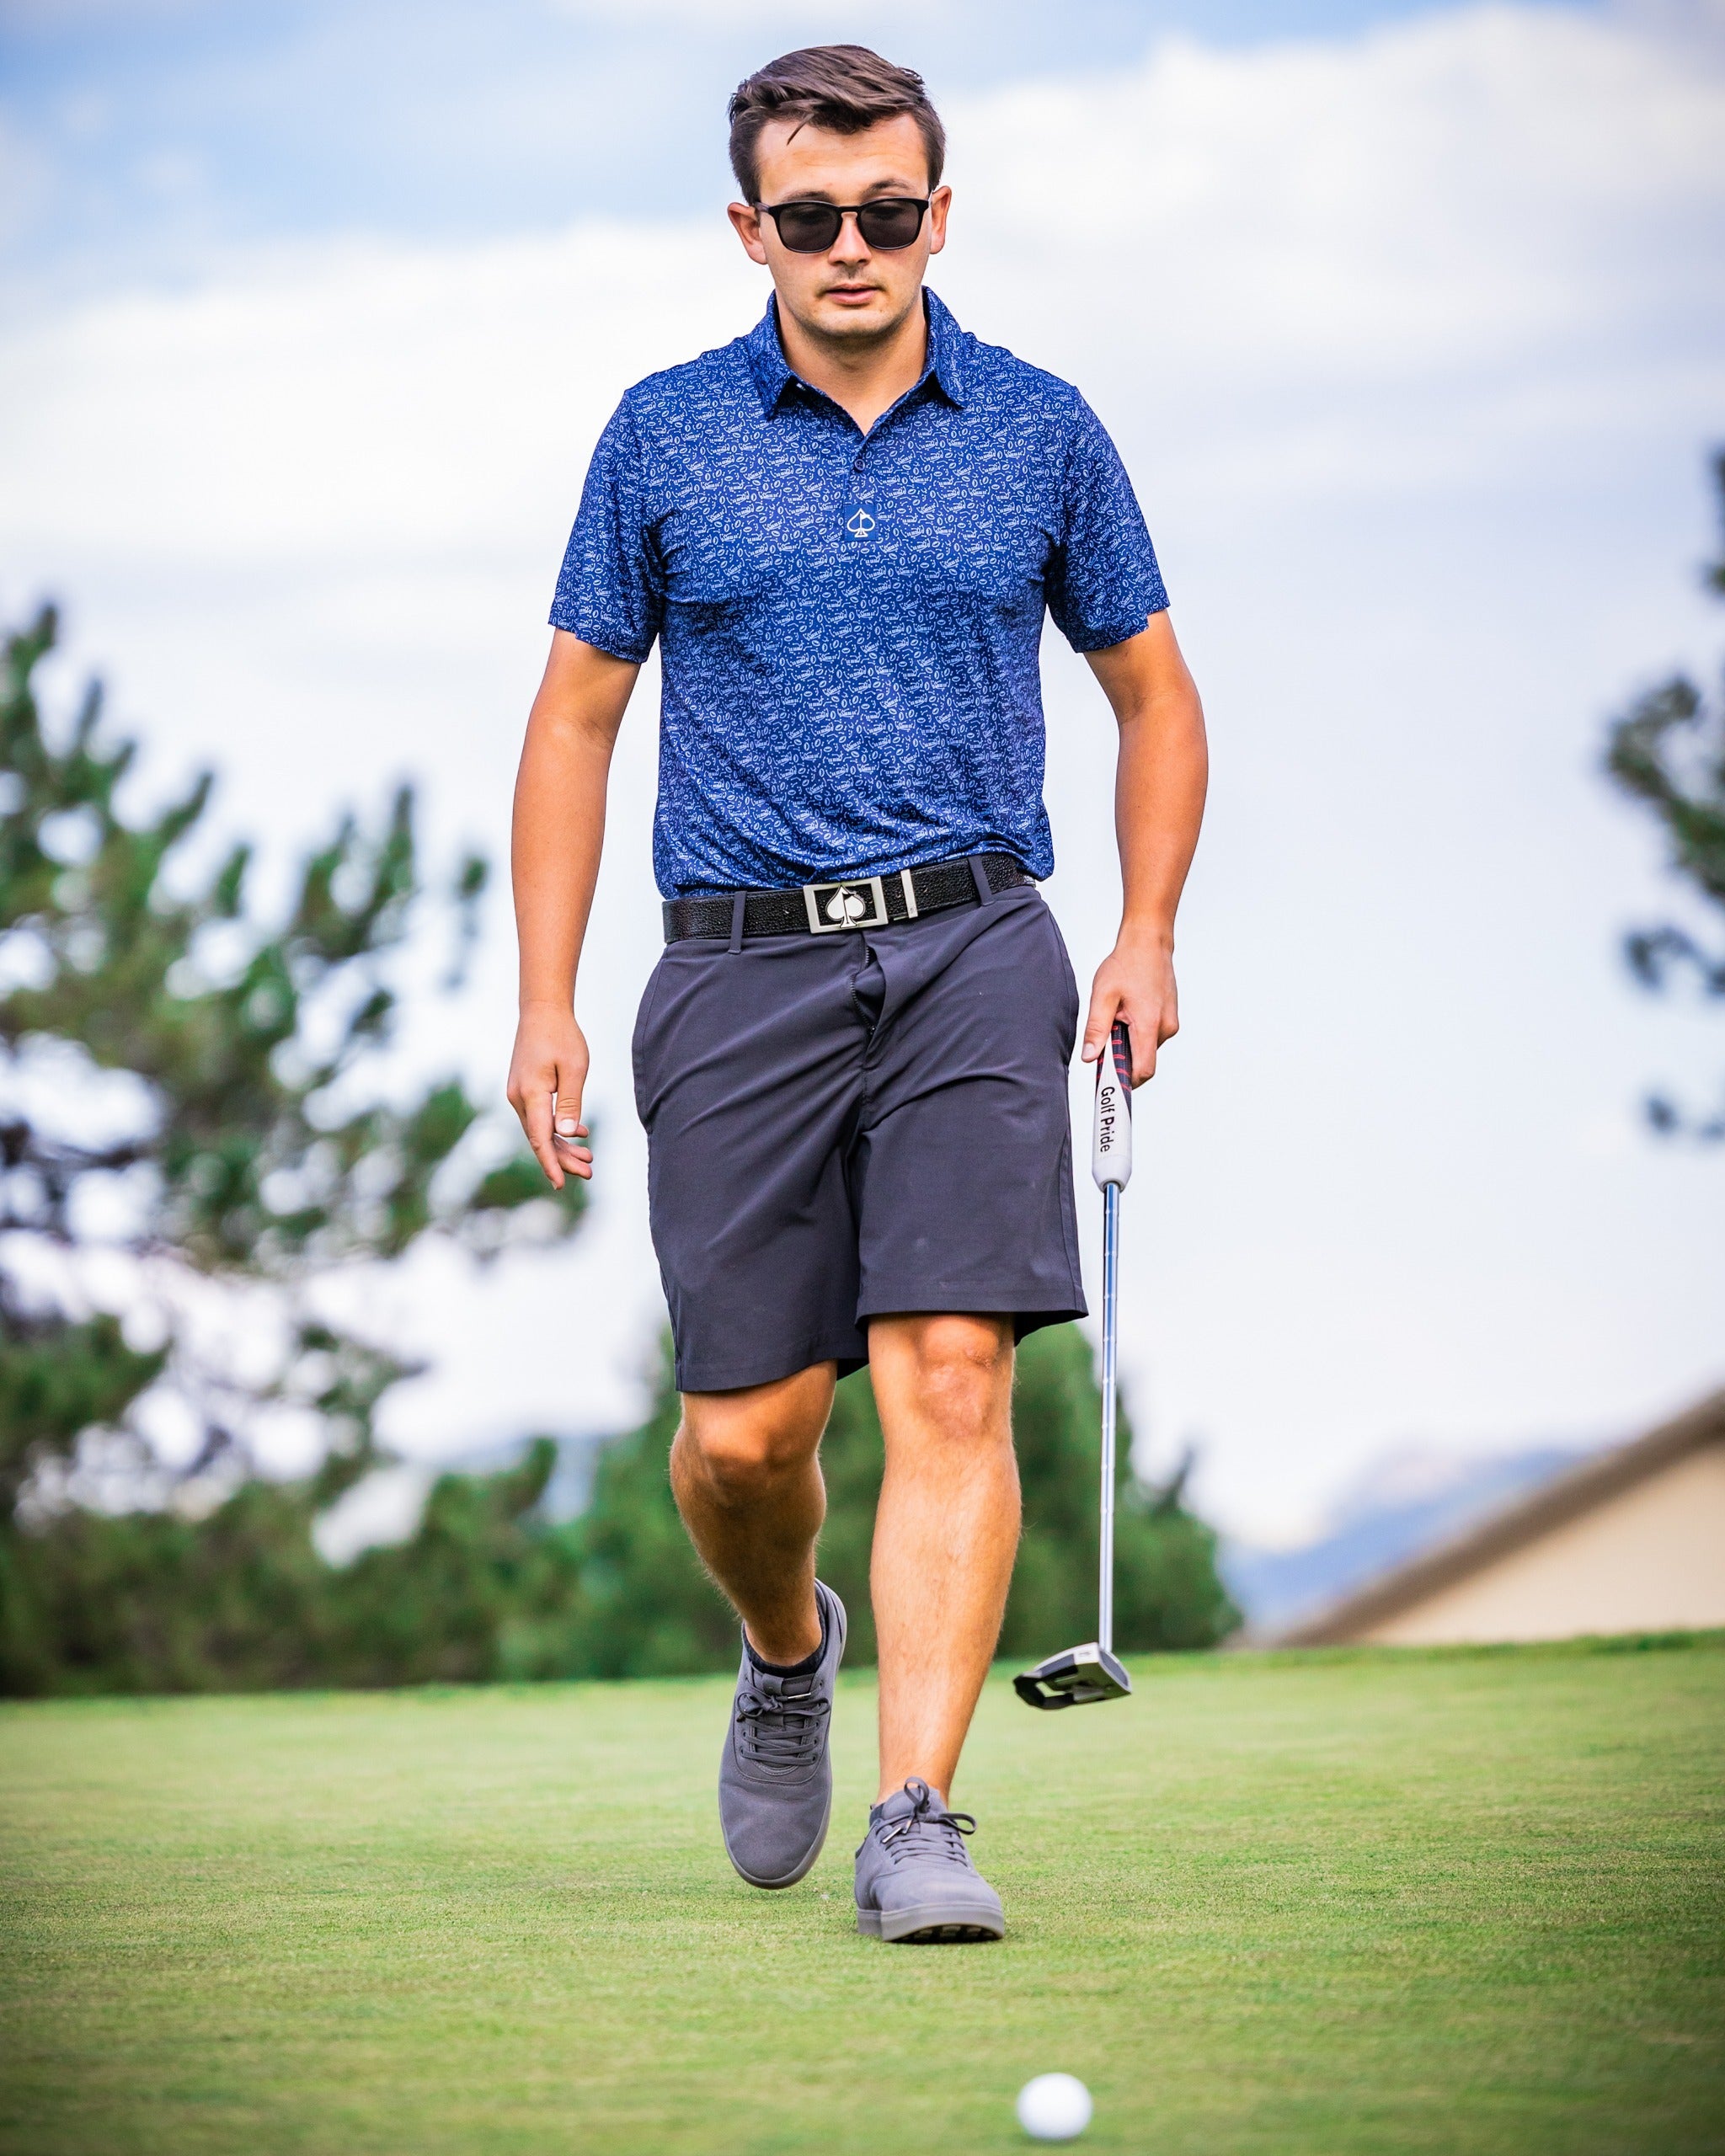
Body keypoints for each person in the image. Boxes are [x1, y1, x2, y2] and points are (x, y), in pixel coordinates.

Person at [508, 44, 1206, 1945]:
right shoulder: (662, 435)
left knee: (951, 1374)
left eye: (885, 212)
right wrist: (545, 997)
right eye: (807, 217)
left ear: (937, 215)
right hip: (735, 960)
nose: (848, 247)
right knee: (746, 1433)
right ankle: (782, 1640)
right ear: (750, 228)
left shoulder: (1043, 429)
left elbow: (1155, 694)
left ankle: (917, 1811)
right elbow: (574, 723)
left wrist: (1143, 929)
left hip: (981, 941)